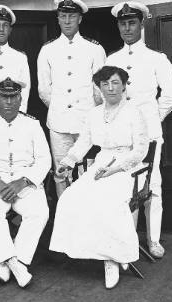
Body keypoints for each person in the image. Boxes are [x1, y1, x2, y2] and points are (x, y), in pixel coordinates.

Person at [49, 66, 149, 289]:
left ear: (124, 85)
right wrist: (67, 163)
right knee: (71, 198)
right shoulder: (94, 114)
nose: (110, 88)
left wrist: (116, 170)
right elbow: (83, 142)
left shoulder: (134, 111)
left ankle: (112, 259)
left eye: (115, 82)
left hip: (127, 168)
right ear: (99, 87)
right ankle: (95, 251)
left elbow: (140, 150)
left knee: (108, 202)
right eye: (105, 84)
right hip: (101, 165)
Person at [105, 1, 172, 259]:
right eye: (122, 24)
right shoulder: (112, 59)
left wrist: (152, 118)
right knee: (124, 186)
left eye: (132, 23)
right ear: (118, 26)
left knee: (152, 185)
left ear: (141, 24)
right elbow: (104, 96)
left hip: (148, 134)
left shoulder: (156, 58)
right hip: (122, 136)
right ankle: (126, 239)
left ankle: (153, 240)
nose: (127, 28)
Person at [0, 76, 51, 287]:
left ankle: (10, 263)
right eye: (4, 97)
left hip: (25, 184)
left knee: (39, 212)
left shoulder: (32, 124)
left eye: (13, 97)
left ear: (20, 98)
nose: (9, 102)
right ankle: (16, 266)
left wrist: (22, 182)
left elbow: (44, 160)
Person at [37, 0, 106, 198]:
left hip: (86, 121)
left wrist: (91, 113)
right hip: (58, 122)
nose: (67, 21)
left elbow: (99, 90)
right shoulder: (47, 50)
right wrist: (60, 106)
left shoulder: (94, 49)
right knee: (61, 171)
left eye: (72, 16)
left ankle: (88, 217)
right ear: (57, 18)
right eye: (63, 16)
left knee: (88, 169)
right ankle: (66, 218)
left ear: (80, 19)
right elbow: (44, 89)